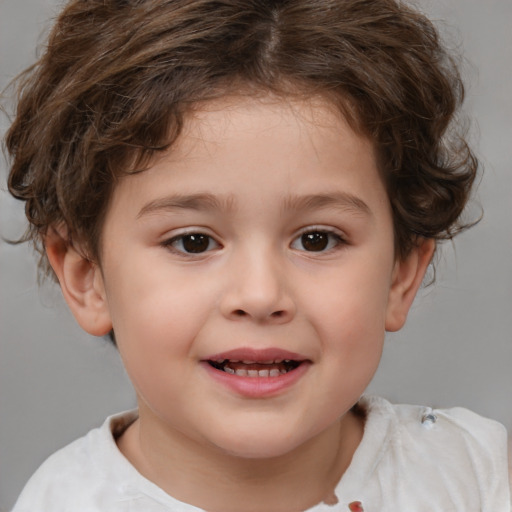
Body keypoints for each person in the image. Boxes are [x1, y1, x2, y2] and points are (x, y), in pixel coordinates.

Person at [4, 0, 510, 510]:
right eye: (193, 241)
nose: (260, 295)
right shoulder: (60, 502)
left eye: (317, 239)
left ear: (401, 275)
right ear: (88, 276)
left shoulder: (476, 478)